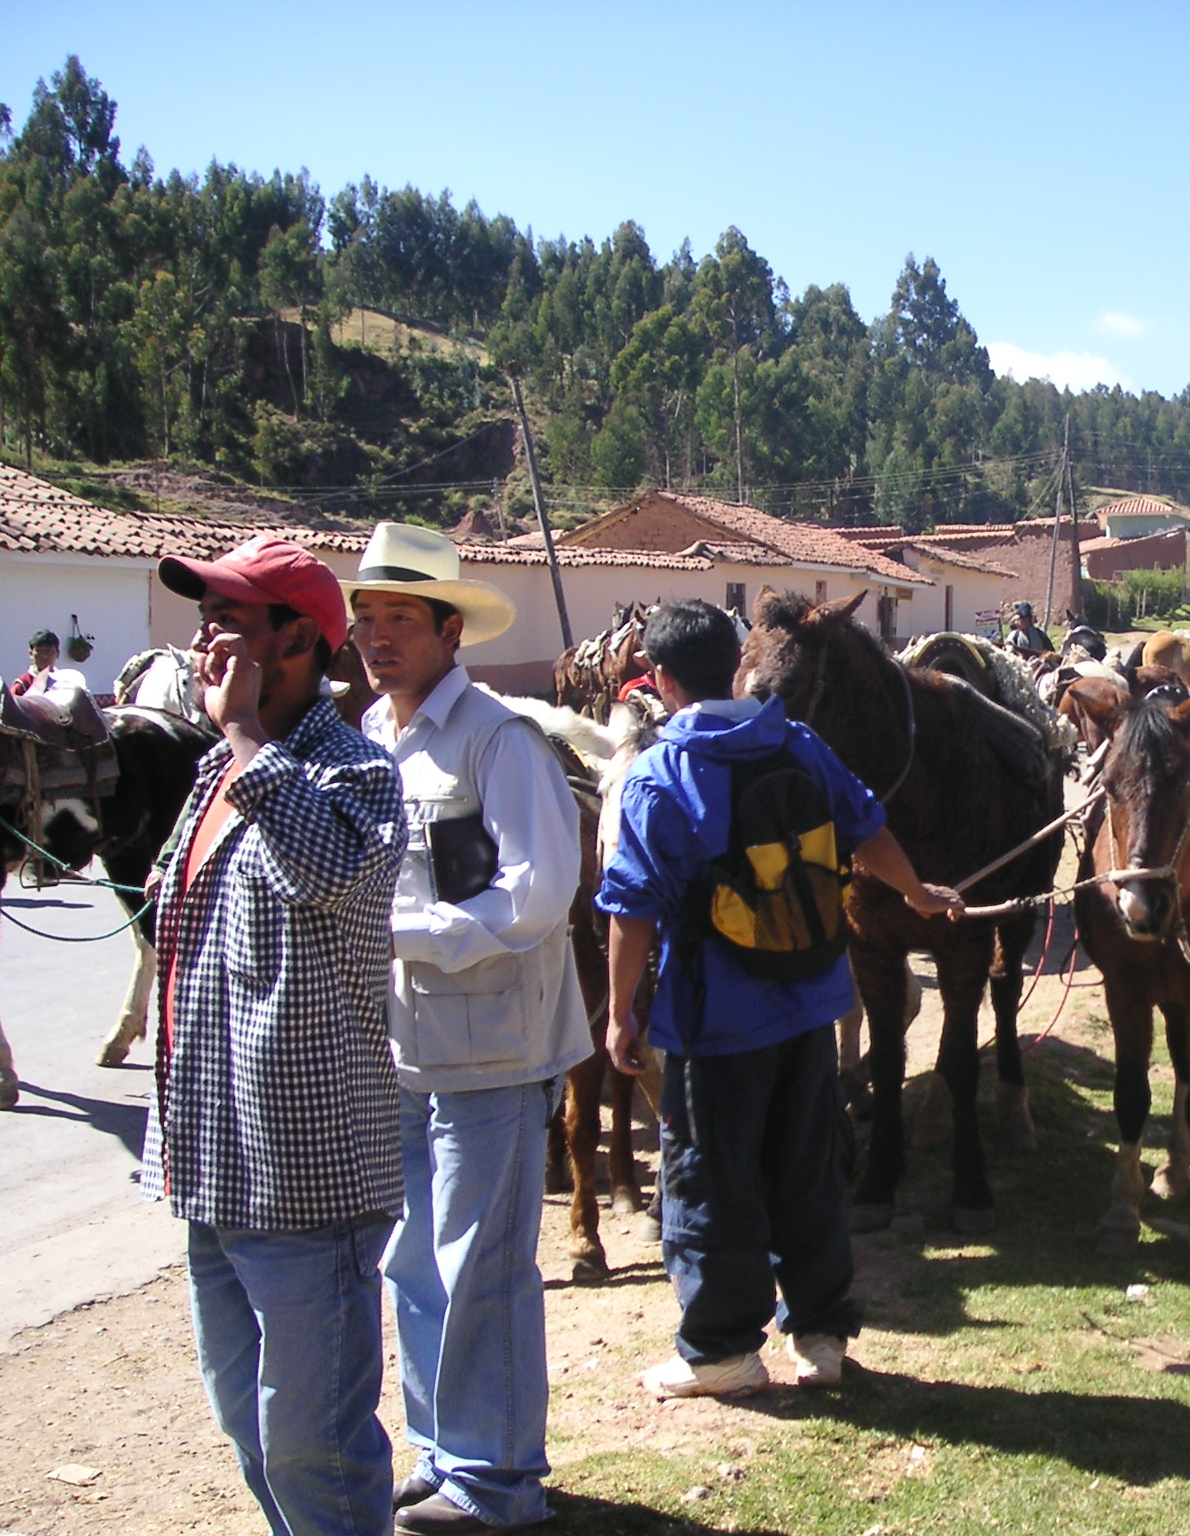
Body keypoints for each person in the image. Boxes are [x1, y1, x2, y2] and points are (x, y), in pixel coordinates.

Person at [598, 601, 961, 1399]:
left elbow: (631, 907)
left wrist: (622, 1013)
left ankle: (721, 1349)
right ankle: (821, 1335)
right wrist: (920, 893)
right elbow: (870, 828)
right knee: (807, 1168)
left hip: (712, 1021)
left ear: (658, 683)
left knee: (709, 1178)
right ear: (736, 666)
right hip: (810, 1004)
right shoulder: (798, 744)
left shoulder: (663, 774)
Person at [143, 534, 407, 1535]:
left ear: (300, 642)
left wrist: (250, 738)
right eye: (205, 614)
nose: (207, 636)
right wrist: (238, 746)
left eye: (231, 619)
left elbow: (333, 875)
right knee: (250, 1433)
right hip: (213, 1170)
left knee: (317, 1446)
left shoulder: (352, 772)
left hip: (305, 1184)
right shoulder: (218, 770)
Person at [347, 524, 589, 1535]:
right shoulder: (372, 735)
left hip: (493, 1047)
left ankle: (497, 1483)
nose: (377, 635)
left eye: (401, 617)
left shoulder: (498, 740)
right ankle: (446, 1454)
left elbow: (540, 894)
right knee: (414, 1262)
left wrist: (402, 934)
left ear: (451, 630)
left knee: (480, 1263)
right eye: (367, 616)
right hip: (404, 1047)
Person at [10, 629, 90, 696]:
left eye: (49, 651)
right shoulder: (22, 685)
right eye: (40, 651)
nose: (44, 656)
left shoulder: (66, 683)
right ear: (31, 654)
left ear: (57, 654)